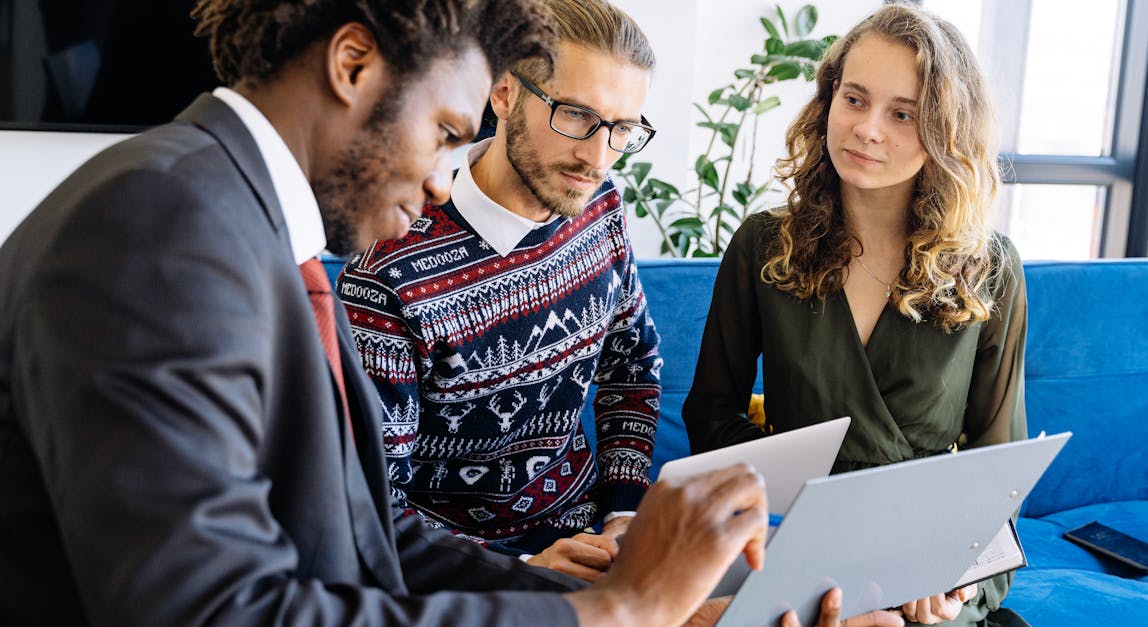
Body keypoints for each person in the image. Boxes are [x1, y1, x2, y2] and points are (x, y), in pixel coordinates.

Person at [0, 1, 903, 626]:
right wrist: (623, 609)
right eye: (443, 133)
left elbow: (365, 532)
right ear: (353, 66)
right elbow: (215, 610)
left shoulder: (228, 217)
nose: (443, 179)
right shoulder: (159, 229)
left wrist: (660, 608)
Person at [682, 4, 1029, 627]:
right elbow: (711, 416)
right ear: (828, 100)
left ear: (947, 131)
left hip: (928, 581)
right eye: (854, 99)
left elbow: (998, 471)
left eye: (903, 114)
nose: (867, 129)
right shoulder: (763, 245)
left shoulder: (990, 267)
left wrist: (955, 583)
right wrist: (810, 520)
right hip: (801, 559)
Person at [338, 0, 660, 581]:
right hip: (469, 577)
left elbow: (632, 367)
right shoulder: (388, 274)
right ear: (505, 93)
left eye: (622, 129)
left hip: (593, 542)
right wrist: (524, 569)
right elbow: (373, 502)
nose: (597, 157)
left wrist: (624, 513)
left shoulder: (599, 206)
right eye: (575, 116)